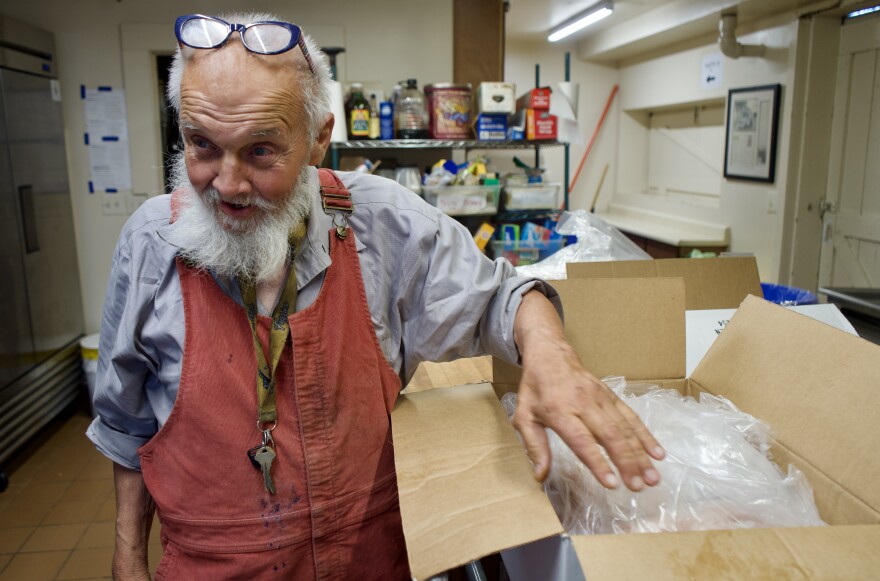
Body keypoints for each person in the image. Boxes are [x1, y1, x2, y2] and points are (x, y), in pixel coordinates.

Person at [87, 12, 665, 580]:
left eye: (262, 150)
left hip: (372, 559)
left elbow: (499, 299)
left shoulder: (381, 222)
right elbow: (126, 426)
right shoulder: (150, 242)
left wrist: (550, 353)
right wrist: (127, 559)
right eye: (202, 145)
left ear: (317, 140)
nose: (228, 183)